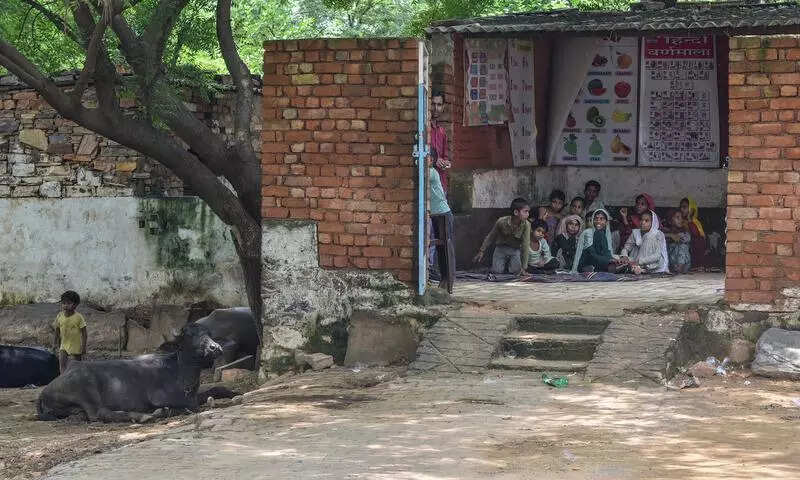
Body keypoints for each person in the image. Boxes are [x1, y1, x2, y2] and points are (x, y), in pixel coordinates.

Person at [474, 197, 531, 275]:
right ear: (516, 212)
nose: (528, 214)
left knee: (516, 272)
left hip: (515, 250)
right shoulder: (501, 221)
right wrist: (482, 250)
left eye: (528, 212)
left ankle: (511, 267)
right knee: (497, 271)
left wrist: (524, 268)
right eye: (525, 211)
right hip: (501, 248)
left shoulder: (527, 225)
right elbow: (491, 236)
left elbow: (525, 245)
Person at [427, 152, 455, 290]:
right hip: (436, 215)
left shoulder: (431, 172)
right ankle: (444, 279)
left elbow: (421, 175)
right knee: (440, 248)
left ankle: (448, 280)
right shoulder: (430, 171)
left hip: (443, 214)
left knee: (446, 248)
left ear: (431, 159)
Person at [619, 210, 670, 274]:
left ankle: (638, 268)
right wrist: (624, 256)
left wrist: (639, 262)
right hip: (636, 261)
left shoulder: (658, 234)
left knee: (648, 237)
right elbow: (626, 248)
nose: (643, 222)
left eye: (646, 221)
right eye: (641, 220)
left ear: (653, 222)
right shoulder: (635, 232)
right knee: (615, 258)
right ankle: (636, 268)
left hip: (654, 265)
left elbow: (657, 256)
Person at [572, 208, 618, 273]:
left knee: (614, 265)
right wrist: (608, 260)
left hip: (599, 262)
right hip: (587, 262)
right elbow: (591, 253)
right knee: (610, 267)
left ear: (606, 222)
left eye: (601, 219)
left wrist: (612, 260)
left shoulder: (606, 234)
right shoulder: (588, 232)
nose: (598, 221)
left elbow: (607, 251)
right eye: (596, 219)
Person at [52, 290, 86, 374]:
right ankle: (63, 379)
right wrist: (55, 343)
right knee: (62, 364)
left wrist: (83, 347)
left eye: (68, 303)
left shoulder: (78, 317)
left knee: (76, 366)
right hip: (63, 345)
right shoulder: (60, 315)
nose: (65, 305)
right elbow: (57, 330)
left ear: (75, 305)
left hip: (75, 346)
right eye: (63, 303)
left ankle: (77, 378)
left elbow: (84, 333)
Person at [430, 89, 451, 192]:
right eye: (433, 104)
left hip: (441, 184)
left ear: (443, 107)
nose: (436, 108)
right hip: (428, 184)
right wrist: (435, 160)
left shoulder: (441, 131)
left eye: (439, 105)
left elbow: (445, 157)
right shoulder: (424, 128)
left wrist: (445, 163)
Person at [681, 197, 709, 271]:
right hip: (685, 243)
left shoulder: (695, 222)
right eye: (681, 207)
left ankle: (699, 265)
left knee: (699, 240)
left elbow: (696, 234)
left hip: (695, 245)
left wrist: (689, 220)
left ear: (691, 209)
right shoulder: (680, 220)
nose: (681, 209)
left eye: (684, 207)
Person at [664, 209, 691, 274]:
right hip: (671, 263)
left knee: (683, 246)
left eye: (681, 217)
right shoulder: (667, 232)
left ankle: (679, 267)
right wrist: (670, 235)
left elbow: (686, 238)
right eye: (677, 217)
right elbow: (659, 236)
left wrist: (676, 237)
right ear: (670, 221)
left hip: (683, 265)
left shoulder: (684, 232)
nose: (680, 220)